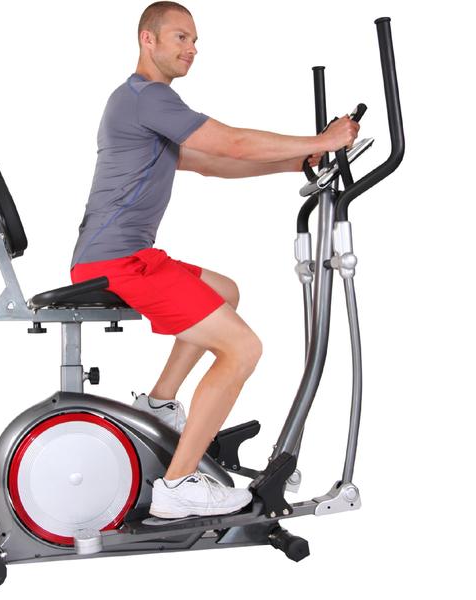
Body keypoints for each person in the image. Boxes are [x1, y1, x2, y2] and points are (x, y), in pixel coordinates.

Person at [70, 1, 359, 519]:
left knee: (224, 291)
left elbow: (212, 163)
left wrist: (296, 161)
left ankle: (159, 404)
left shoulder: (141, 105)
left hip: (125, 255)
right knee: (242, 349)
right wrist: (326, 139)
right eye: (180, 37)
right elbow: (234, 142)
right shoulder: (147, 97)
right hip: (117, 262)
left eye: (195, 40)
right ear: (148, 39)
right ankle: (177, 485)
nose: (192, 49)